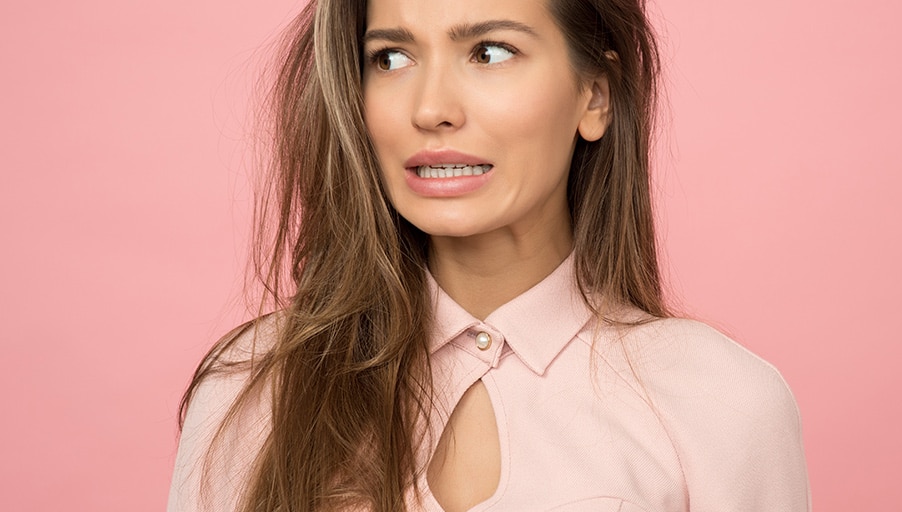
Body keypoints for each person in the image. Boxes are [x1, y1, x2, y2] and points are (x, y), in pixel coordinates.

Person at [168, 0, 811, 510]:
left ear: (596, 95)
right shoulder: (252, 393)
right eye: (390, 57)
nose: (431, 109)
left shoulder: (718, 402)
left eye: (490, 51)